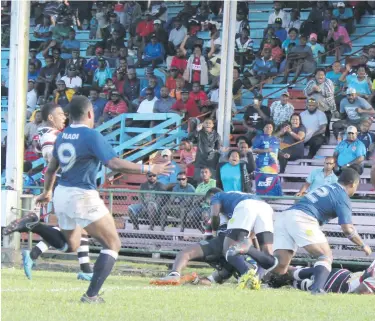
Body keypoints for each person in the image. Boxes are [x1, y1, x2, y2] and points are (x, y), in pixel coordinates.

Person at [35, 96, 172, 303]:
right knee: (113, 243)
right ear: (90, 114)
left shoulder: (62, 136)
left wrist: (47, 192)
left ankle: (33, 225)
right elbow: (115, 164)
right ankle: (91, 295)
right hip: (82, 194)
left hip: (61, 193)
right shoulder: (91, 136)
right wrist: (150, 168)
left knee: (70, 245)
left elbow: (51, 169)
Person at [5, 103, 93, 281]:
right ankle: (33, 228)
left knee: (80, 230)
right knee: (70, 240)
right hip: (67, 184)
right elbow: (55, 158)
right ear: (51, 118)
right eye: (61, 114)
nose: (64, 118)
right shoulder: (50, 136)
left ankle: (85, 270)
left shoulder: (48, 134)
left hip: (65, 184)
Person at [269, 169, 372, 295]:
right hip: (303, 218)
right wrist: (363, 245)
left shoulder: (328, 186)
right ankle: (316, 290)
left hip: (285, 216)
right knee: (325, 256)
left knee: (281, 265)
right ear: (353, 184)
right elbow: (347, 229)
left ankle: (260, 280)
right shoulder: (342, 196)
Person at [204, 189, 278, 290]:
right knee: (268, 257)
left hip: (245, 206)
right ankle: (256, 279)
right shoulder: (235, 195)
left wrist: (214, 231)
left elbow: (214, 215)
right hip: (265, 207)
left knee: (228, 249)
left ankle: (246, 273)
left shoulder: (216, 196)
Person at [292, 253, 375, 294]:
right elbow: (360, 293)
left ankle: (279, 269)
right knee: (297, 281)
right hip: (335, 283)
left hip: (340, 274)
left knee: (298, 271)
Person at [188, 118, 222, 182]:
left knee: (212, 181)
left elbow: (218, 148)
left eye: (209, 123)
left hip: (211, 161)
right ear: (203, 125)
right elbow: (190, 138)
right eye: (206, 123)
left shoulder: (216, 135)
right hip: (200, 161)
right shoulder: (199, 133)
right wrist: (197, 130)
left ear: (212, 125)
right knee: (198, 181)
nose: (208, 124)